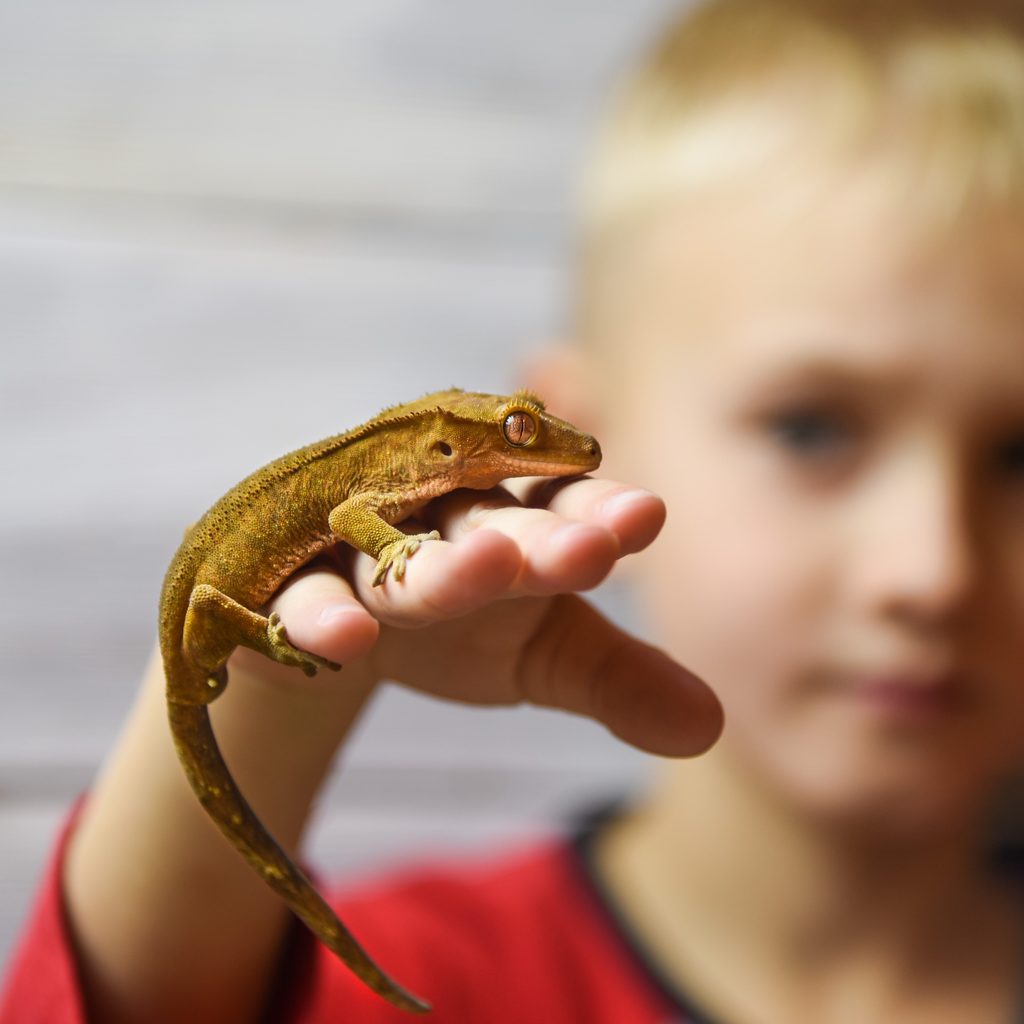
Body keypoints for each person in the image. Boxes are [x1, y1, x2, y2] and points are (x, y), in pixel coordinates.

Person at [4, 0, 1024, 1020]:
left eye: (1017, 456)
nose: (929, 571)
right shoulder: (430, 967)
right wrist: (281, 697)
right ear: (589, 437)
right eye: (810, 428)